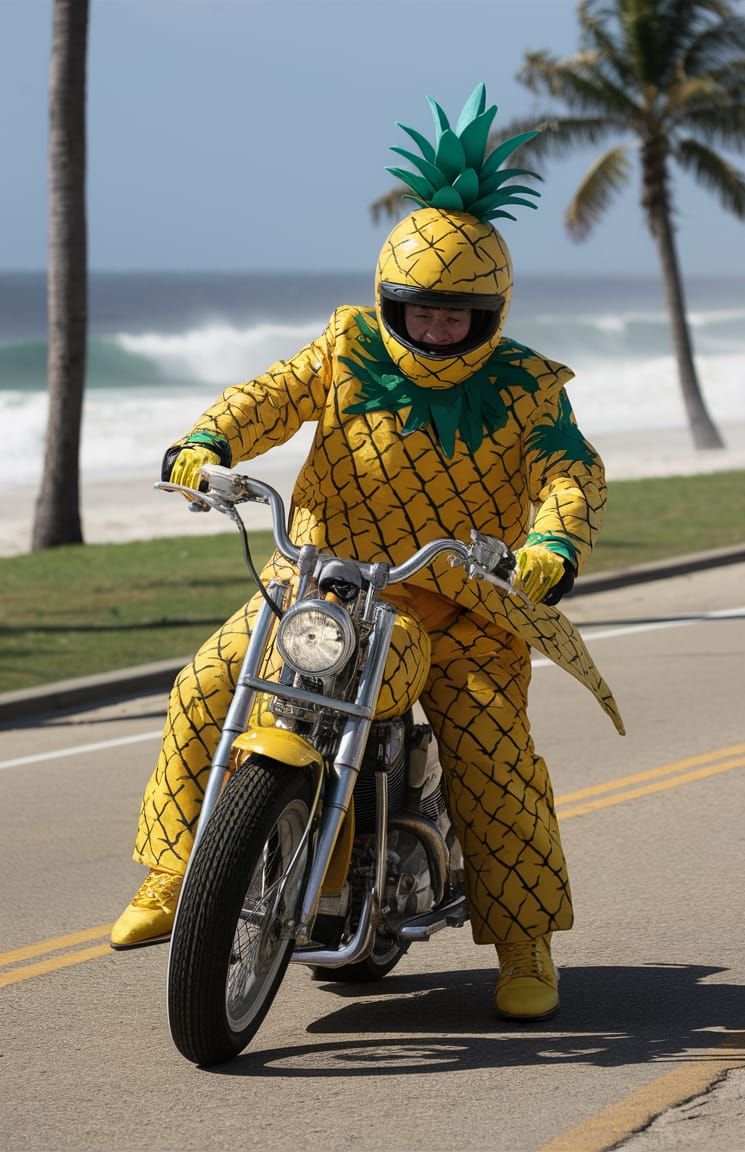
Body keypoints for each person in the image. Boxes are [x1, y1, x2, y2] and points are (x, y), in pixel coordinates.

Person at [111, 84, 623, 1022]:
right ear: (391, 300)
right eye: (418, 310)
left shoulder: (530, 389)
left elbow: (570, 474)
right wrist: (207, 447)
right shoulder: (345, 349)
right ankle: (175, 879)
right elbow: (269, 394)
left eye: (456, 315)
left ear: (490, 311)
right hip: (323, 584)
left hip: (463, 598)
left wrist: (551, 543)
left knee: (491, 757)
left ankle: (525, 943)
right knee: (202, 686)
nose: (434, 329)